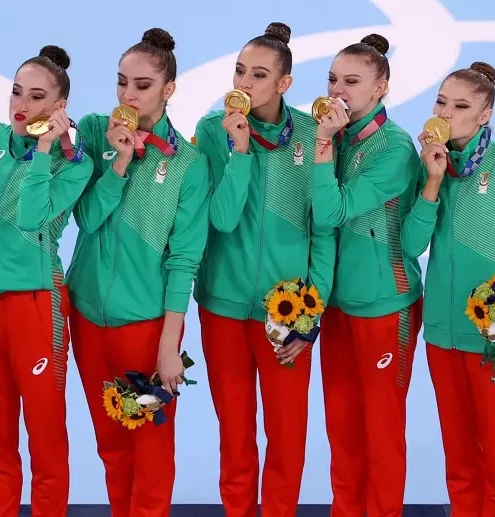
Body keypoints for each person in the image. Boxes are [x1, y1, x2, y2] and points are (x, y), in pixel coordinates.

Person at [193, 22, 337, 517]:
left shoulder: (314, 136)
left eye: (258, 74)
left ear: (284, 83)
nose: (243, 82)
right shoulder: (213, 131)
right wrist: (239, 152)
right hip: (223, 307)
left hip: (288, 313)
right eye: (239, 71)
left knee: (287, 434)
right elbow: (221, 219)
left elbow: (324, 230)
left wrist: (312, 313)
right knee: (234, 434)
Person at [66, 28, 211, 517]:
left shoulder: (189, 164)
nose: (128, 95)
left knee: (149, 448)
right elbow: (86, 219)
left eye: (143, 85)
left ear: (169, 89)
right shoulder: (93, 132)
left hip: (146, 327)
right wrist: (119, 162)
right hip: (87, 318)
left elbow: (184, 260)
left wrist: (169, 346)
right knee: (110, 444)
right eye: (122, 82)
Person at [311, 34, 423, 516]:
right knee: (342, 428)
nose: (338, 90)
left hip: (385, 304)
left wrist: (320, 144)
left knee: (380, 430)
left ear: (380, 88)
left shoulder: (394, 149)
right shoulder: (335, 138)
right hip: (336, 305)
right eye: (332, 79)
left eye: (351, 82)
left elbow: (331, 212)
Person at [0, 45, 93, 517]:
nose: (21, 105)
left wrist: (43, 150)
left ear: (59, 107)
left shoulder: (75, 164)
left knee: (45, 440)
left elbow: (30, 217)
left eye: (37, 96)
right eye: (16, 92)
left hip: (36, 306)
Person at [401, 61, 495, 517]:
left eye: (460, 106)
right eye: (441, 102)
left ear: (484, 115)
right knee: (458, 455)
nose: (444, 113)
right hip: (441, 330)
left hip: (489, 335)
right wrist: (433, 181)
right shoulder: (429, 166)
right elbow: (411, 244)